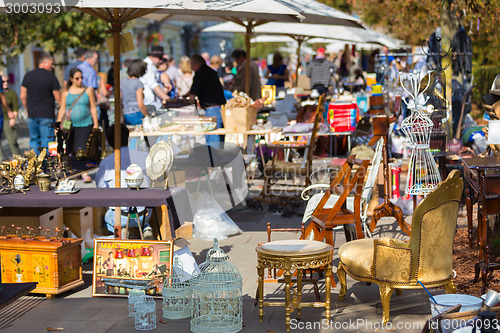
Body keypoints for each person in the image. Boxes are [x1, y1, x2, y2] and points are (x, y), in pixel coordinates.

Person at [95, 123, 153, 239]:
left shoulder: (106, 162)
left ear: (110, 142)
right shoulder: (144, 156)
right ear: (127, 137)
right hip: (144, 214)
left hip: (119, 215)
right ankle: (145, 227)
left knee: (106, 217)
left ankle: (120, 232)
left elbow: (100, 188)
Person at [56, 68, 99, 183]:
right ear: (71, 79)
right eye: (77, 78)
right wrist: (58, 124)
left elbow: (93, 107)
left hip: (85, 123)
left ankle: (84, 173)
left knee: (83, 149)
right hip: (70, 125)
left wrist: (96, 124)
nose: (80, 80)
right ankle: (76, 171)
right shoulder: (66, 92)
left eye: (81, 78)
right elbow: (62, 109)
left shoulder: (88, 90)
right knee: (72, 149)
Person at [20, 52, 61, 151]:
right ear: (44, 62)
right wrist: (63, 110)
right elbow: (58, 98)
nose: (53, 66)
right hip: (46, 114)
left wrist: (26, 109)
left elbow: (22, 96)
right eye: (51, 63)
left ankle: (34, 163)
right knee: (48, 140)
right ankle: (47, 163)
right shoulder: (51, 76)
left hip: (32, 114)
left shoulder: (28, 75)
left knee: (34, 140)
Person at [189, 54, 226, 148]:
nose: (191, 67)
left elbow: (193, 94)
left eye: (191, 64)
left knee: (213, 142)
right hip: (220, 109)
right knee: (219, 141)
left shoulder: (200, 73)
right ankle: (219, 160)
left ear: (197, 64)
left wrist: (189, 107)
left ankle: (215, 161)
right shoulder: (210, 71)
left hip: (211, 110)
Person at [140, 46, 169, 112]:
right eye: (160, 58)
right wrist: (166, 98)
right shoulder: (148, 66)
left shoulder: (152, 66)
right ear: (153, 56)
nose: (161, 61)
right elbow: (153, 85)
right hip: (150, 103)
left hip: (154, 103)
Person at [121, 59, 149, 125]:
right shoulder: (137, 83)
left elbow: (120, 98)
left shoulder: (123, 81)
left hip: (125, 113)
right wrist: (147, 116)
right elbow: (140, 104)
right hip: (136, 113)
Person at [0, 75, 20, 161]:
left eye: (7, 81)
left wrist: (13, 118)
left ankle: (18, 160)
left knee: (12, 141)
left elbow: (15, 108)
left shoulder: (11, 93)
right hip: (2, 117)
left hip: (7, 119)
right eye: (3, 82)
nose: (5, 83)